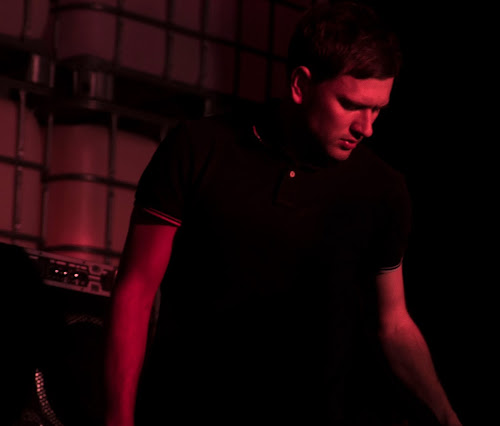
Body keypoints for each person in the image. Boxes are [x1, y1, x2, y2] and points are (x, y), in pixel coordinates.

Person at [104, 2, 462, 425]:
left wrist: (446, 415)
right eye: (350, 104)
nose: (366, 128)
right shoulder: (198, 149)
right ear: (300, 84)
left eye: (378, 109)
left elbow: (394, 322)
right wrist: (118, 420)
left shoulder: (383, 189)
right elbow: (136, 290)